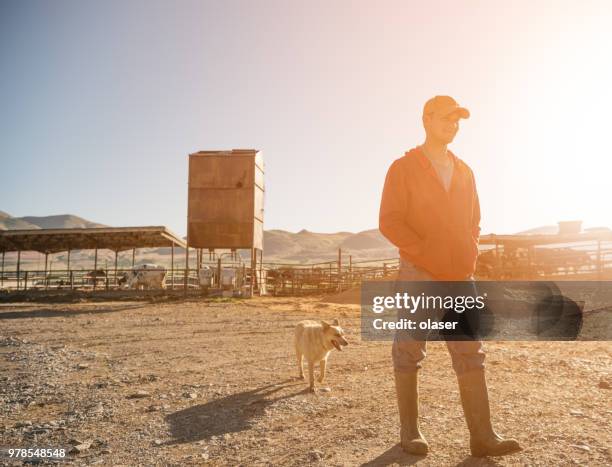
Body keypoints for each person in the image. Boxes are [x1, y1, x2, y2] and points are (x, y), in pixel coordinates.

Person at [378, 95, 521, 457]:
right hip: (418, 274)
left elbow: (474, 221)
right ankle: (409, 432)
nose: (453, 125)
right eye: (446, 118)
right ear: (426, 119)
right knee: (409, 348)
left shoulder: (465, 170)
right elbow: (389, 220)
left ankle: (482, 436)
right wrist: (425, 253)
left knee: (470, 351)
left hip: (460, 275)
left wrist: (468, 253)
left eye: (457, 120)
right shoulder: (403, 168)